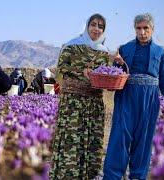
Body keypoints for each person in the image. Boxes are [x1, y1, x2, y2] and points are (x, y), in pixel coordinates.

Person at [103, 13, 164, 180]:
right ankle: (112, 176)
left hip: (149, 100)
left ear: (152, 29)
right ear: (134, 29)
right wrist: (116, 63)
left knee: (144, 140)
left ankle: (138, 176)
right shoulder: (125, 48)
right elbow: (117, 73)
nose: (142, 32)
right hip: (126, 97)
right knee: (120, 137)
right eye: (139, 28)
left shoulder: (160, 52)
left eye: (146, 28)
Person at [50, 13, 111, 179]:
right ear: (87, 26)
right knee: (72, 141)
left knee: (92, 141)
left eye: (101, 26)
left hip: (94, 104)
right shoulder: (71, 46)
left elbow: (108, 75)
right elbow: (60, 73)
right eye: (93, 24)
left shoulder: (105, 53)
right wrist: (80, 73)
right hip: (73, 104)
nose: (96, 29)